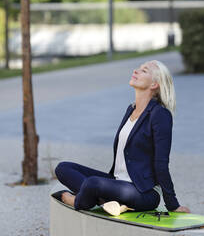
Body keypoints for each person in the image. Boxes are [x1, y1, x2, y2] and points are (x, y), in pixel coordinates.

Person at [55, 60, 190, 215]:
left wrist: (173, 204)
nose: (136, 71)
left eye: (144, 70)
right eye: (139, 68)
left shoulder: (160, 115)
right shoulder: (131, 110)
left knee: (92, 184)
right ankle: (103, 199)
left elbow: (161, 164)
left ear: (154, 85)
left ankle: (78, 200)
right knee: (63, 168)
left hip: (143, 192)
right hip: (117, 183)